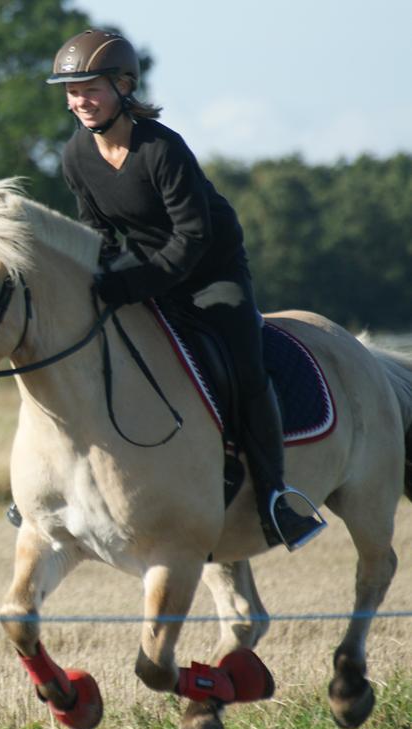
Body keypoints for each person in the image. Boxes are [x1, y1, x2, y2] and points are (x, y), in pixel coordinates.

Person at [46, 29, 324, 551]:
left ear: (124, 86)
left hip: (212, 273)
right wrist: (97, 278)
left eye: (90, 89)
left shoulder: (162, 149)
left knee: (244, 366)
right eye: (71, 91)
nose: (79, 101)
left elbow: (193, 237)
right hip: (150, 265)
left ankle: (274, 498)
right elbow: (99, 234)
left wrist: (133, 283)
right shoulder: (76, 157)